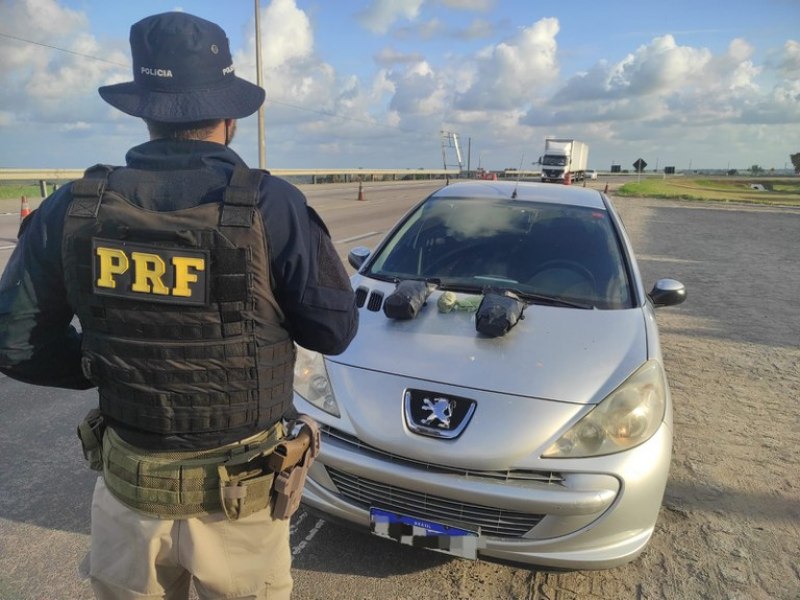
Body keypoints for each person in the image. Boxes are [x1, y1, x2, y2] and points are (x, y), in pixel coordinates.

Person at [0, 11, 358, 600]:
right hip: (241, 503)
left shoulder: (75, 206)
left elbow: (15, 343)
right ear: (230, 115)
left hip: (128, 496)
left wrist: (103, 364)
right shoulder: (272, 205)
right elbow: (333, 331)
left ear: (144, 111)